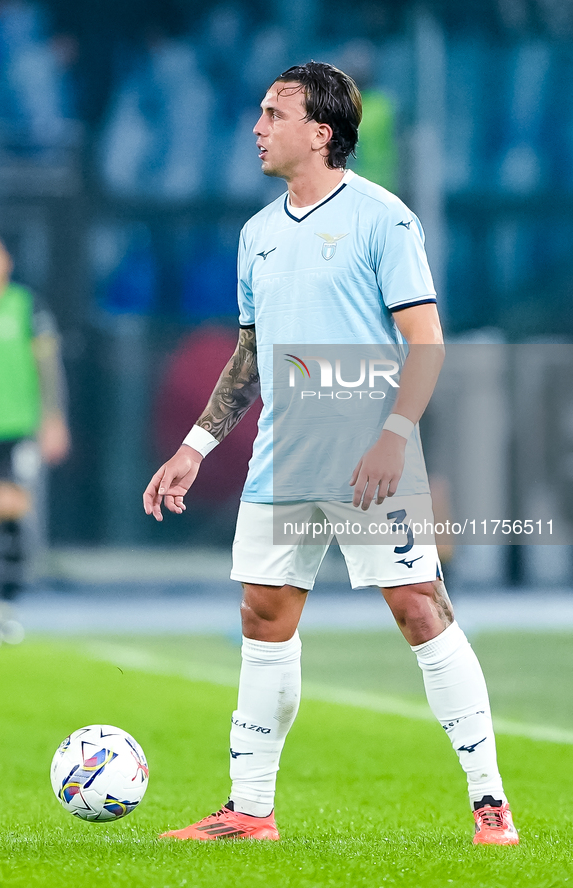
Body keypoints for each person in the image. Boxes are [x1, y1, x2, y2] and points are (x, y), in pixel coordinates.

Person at [143, 62, 518, 846]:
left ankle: (489, 802)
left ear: (319, 132)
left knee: (418, 608)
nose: (256, 127)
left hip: (366, 454)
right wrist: (195, 446)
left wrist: (391, 438)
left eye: (273, 113)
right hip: (281, 459)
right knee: (263, 612)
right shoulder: (257, 235)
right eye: (258, 112)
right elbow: (248, 356)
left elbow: (425, 341)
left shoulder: (384, 220)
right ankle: (249, 812)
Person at [0, 234, 70, 646]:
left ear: (6, 263)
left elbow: (48, 367)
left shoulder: (25, 306)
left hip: (15, 430)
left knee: (10, 508)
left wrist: (53, 418)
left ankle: (3, 603)